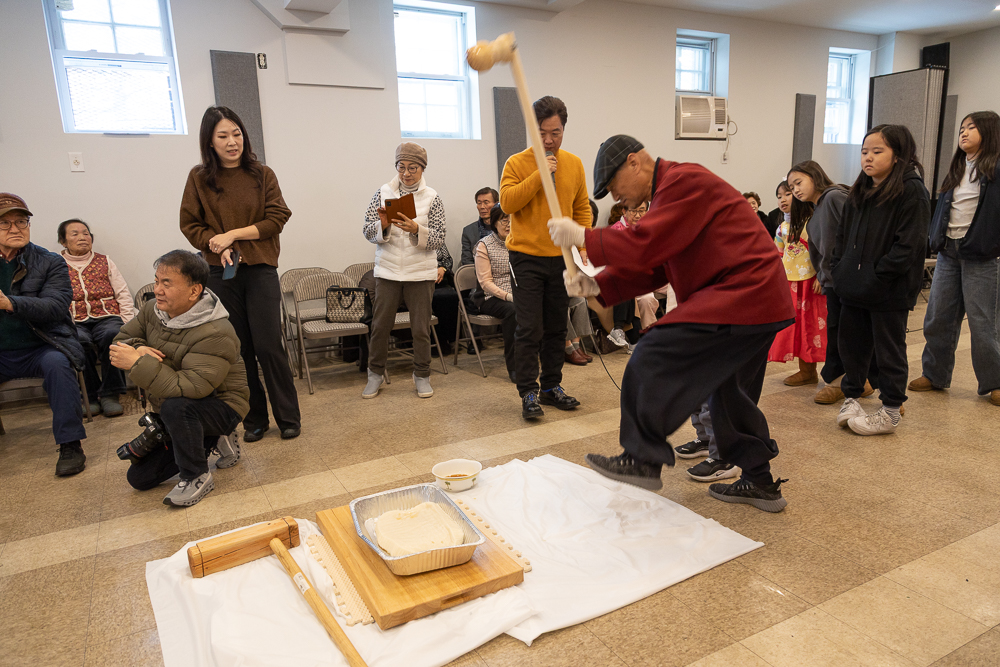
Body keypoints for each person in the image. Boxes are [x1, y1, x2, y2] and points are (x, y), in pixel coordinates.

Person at [548, 135, 795, 512]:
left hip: (744, 292)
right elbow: (658, 265)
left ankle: (642, 459)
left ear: (634, 162)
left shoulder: (683, 181)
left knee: (652, 354)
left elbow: (644, 245)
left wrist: (584, 236)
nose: (616, 198)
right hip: (759, 299)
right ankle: (759, 481)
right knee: (730, 394)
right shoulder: (671, 193)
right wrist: (597, 286)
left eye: (614, 186)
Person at [179, 105, 300, 442]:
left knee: (269, 345)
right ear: (210, 141)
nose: (232, 142)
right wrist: (215, 244)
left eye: (237, 134)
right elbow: (190, 224)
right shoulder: (198, 178)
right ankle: (254, 419)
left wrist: (232, 235)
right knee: (239, 349)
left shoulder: (262, 174)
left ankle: (288, 417)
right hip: (221, 273)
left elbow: (277, 217)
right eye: (223, 136)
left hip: (260, 268)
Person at [111, 250, 249, 507]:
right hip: (175, 406)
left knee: (177, 407)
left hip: (220, 405)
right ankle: (212, 437)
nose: (157, 290)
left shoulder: (216, 331)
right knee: (139, 478)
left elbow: (191, 387)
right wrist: (139, 349)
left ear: (194, 291)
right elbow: (122, 341)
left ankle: (197, 475)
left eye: (167, 283)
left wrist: (138, 362)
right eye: (156, 281)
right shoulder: (152, 309)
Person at [832, 125, 930, 435]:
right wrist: (839, 269)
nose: (868, 158)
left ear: (898, 155)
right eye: (864, 152)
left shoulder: (911, 190)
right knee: (851, 346)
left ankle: (890, 411)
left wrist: (877, 275)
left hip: (888, 290)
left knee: (889, 350)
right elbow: (842, 236)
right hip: (853, 286)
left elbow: (909, 245)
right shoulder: (859, 190)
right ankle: (851, 398)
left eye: (877, 151)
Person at [500, 95, 591, 419]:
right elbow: (507, 203)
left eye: (556, 132)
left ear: (564, 129)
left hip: (561, 258)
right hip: (526, 257)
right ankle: (528, 392)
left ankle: (552, 387)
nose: (549, 140)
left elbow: (581, 207)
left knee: (556, 327)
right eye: (542, 133)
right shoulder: (516, 163)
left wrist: (584, 246)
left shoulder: (574, 164)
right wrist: (539, 173)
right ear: (532, 130)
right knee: (529, 328)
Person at [910, 111, 1000, 406]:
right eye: (962, 128)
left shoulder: (996, 169)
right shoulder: (958, 167)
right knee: (938, 316)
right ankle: (934, 374)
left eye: (971, 127)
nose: (963, 132)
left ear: (989, 132)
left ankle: (995, 381)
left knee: (983, 323)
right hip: (949, 251)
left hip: (983, 255)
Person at [0, 193, 88, 476]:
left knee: (58, 365)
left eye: (21, 221)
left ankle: (70, 444)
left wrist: (10, 303)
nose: (15, 229)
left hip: (43, 344)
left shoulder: (50, 261)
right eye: (5, 223)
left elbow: (55, 306)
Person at [362, 142, 446, 399]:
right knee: (380, 326)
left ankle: (422, 375)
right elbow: (367, 230)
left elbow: (439, 237)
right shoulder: (383, 192)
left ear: (422, 169)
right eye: (401, 167)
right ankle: (375, 374)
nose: (406, 173)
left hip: (420, 273)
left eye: (412, 168)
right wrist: (383, 225)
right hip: (388, 271)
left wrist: (416, 230)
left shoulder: (432, 197)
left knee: (420, 329)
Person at [786, 161, 875, 404]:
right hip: (833, 281)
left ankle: (845, 382)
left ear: (814, 176)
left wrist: (853, 270)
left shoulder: (834, 197)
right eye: (791, 187)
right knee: (840, 332)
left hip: (848, 278)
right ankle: (854, 381)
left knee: (846, 333)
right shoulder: (815, 213)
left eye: (798, 183)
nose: (795, 190)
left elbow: (860, 230)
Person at [58, 218, 136, 417]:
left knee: (113, 335)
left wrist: (127, 322)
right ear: (63, 241)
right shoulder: (55, 264)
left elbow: (122, 293)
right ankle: (90, 396)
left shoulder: (105, 261)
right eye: (75, 234)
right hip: (74, 319)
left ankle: (110, 394)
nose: (82, 237)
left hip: (107, 316)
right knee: (77, 341)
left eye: (86, 233)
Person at [766, 181, 827, 385]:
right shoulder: (782, 228)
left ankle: (819, 370)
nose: (782, 199)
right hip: (790, 285)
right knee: (796, 326)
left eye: (787, 194)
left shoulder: (813, 222)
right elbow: (777, 255)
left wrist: (821, 275)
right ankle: (806, 371)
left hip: (811, 283)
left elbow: (824, 251)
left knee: (812, 325)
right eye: (779, 196)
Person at [474, 204, 516, 382]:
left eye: (512, 220)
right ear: (494, 223)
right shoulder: (484, 245)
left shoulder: (519, 242)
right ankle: (514, 366)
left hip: (517, 292)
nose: (509, 224)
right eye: (504, 220)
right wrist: (508, 296)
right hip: (490, 297)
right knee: (513, 310)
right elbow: (485, 283)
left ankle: (536, 358)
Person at [461, 187, 498, 266]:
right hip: (477, 271)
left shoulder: (506, 228)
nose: (482, 207)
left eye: (486, 202)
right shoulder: (468, 231)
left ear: (496, 204)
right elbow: (467, 261)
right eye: (479, 203)